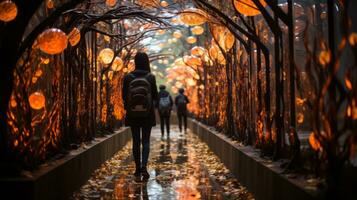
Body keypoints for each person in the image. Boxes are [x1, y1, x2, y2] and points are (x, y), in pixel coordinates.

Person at [122, 52, 158, 180]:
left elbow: (123, 96)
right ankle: (144, 167)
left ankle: (137, 169)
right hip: (147, 113)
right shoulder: (150, 77)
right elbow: (155, 96)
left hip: (132, 113)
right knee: (146, 140)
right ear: (147, 62)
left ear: (135, 61)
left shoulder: (128, 77)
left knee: (136, 141)